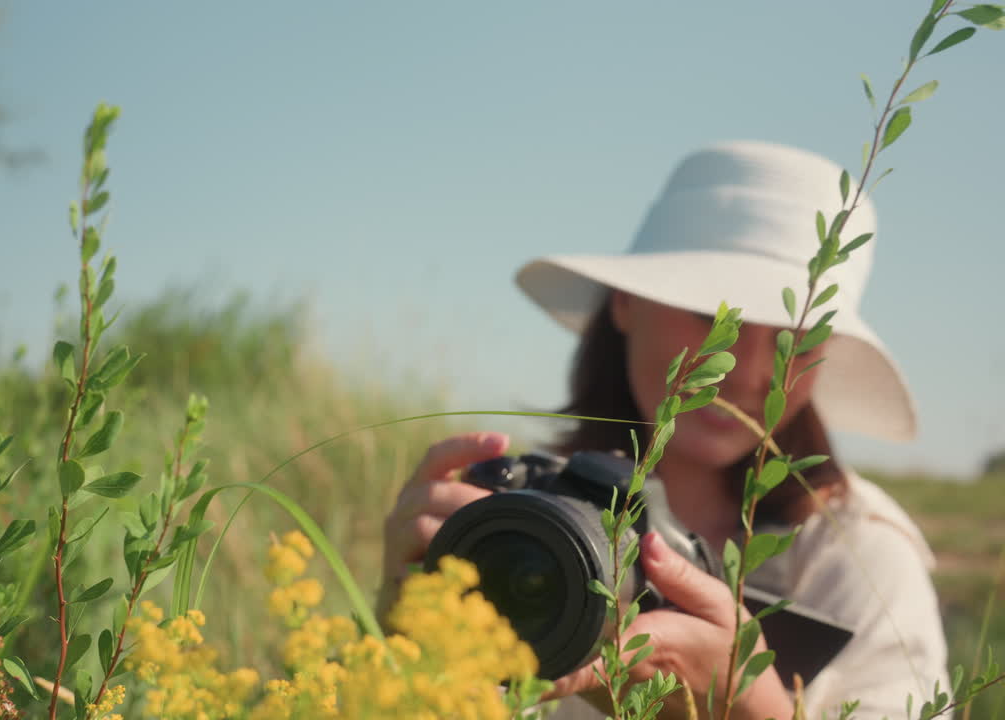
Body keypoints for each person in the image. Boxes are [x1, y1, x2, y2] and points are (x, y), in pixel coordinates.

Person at [380, 140, 948, 719]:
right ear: (624, 303)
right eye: (714, 318)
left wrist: (744, 708)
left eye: (795, 343)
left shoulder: (860, 553)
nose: (746, 372)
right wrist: (408, 629)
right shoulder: (519, 512)